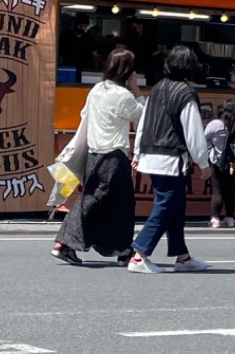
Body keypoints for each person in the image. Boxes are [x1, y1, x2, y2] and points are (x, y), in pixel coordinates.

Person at [51, 48, 144, 266]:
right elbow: (142, 115)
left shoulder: (96, 90)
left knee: (95, 200)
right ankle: (68, 243)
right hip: (114, 156)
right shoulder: (123, 96)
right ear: (128, 72)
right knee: (120, 205)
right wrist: (137, 89)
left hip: (94, 154)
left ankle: (120, 249)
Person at [129, 45, 209, 273]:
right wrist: (203, 163)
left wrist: (137, 153)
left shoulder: (157, 89)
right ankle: (139, 254)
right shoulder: (185, 92)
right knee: (165, 207)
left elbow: (143, 123)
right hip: (171, 158)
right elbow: (193, 132)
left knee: (175, 206)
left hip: (151, 155)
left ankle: (182, 256)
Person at [204, 100, 235, 228]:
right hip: (234, 164)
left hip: (217, 161)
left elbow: (204, 139)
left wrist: (210, 153)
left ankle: (216, 219)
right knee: (230, 191)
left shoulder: (215, 124)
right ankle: (230, 219)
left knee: (218, 190)